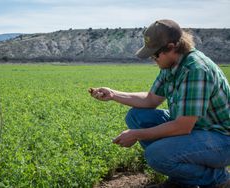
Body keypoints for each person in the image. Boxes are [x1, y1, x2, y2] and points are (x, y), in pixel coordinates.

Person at [89, 19, 230, 188]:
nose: (153, 59)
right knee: (137, 116)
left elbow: (182, 127)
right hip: (197, 128)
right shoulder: (171, 65)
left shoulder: (195, 70)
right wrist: (113, 94)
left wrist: (136, 134)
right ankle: (183, 180)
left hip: (221, 139)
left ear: (171, 47)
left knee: (156, 155)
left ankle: (218, 179)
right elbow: (150, 100)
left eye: (155, 54)